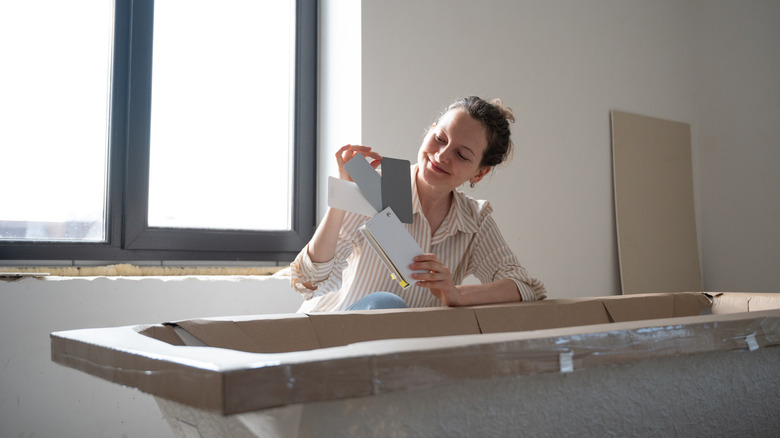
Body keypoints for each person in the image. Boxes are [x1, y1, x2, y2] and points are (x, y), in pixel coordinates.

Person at [289, 96, 546, 312]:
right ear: (429, 131)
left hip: (399, 353)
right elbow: (309, 282)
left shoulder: (474, 219)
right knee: (387, 303)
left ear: (479, 173)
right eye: (440, 138)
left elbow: (525, 286)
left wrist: (456, 294)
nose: (442, 155)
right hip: (333, 338)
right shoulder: (379, 187)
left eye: (461, 154)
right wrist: (342, 197)